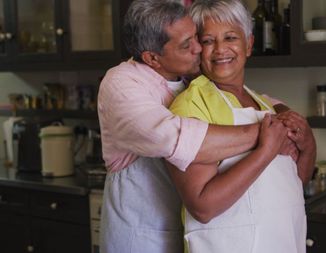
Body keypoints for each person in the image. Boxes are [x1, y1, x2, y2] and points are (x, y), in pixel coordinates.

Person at [97, 0, 296, 253]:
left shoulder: (185, 73)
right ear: (152, 58)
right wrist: (266, 136)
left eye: (196, 38)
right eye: (187, 44)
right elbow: (175, 138)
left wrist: (282, 113)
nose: (198, 49)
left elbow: (245, 96)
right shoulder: (122, 83)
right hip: (142, 236)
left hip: (183, 232)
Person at [167, 0, 317, 252]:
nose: (220, 49)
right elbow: (202, 207)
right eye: (207, 40)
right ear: (196, 49)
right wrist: (265, 151)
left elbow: (293, 184)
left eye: (230, 37)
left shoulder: (264, 105)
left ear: (249, 45)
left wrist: (309, 145)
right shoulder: (190, 106)